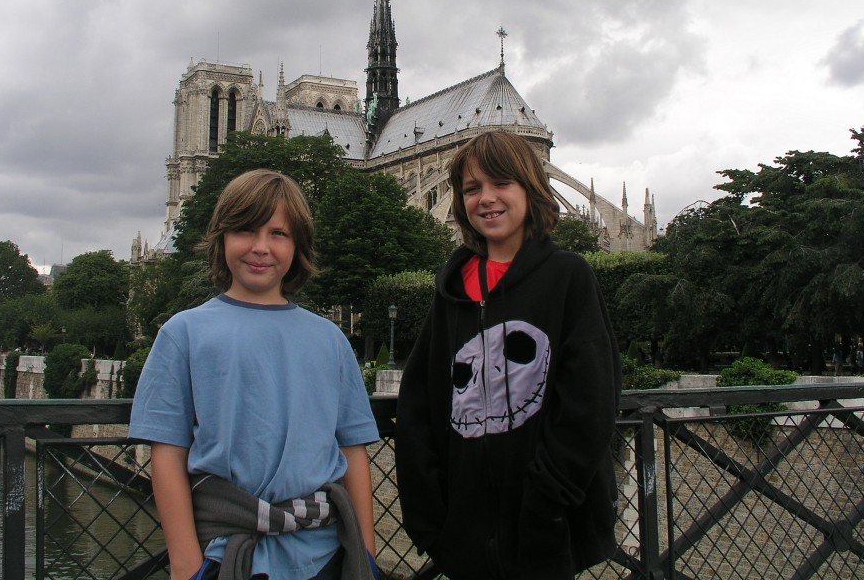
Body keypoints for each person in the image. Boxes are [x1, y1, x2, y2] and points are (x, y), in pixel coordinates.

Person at [129, 169, 380, 580]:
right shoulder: (182, 333)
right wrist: (185, 565)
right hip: (223, 555)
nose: (261, 247)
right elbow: (167, 455)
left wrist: (365, 557)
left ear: (297, 245)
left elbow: (353, 451)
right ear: (221, 238)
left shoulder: (330, 339)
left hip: (324, 556)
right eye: (245, 230)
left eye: (278, 234)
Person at [394, 130, 622, 580]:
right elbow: (419, 400)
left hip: (547, 530)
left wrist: (546, 503)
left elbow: (591, 400)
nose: (487, 198)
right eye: (472, 188)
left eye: (502, 183)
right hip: (464, 535)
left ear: (531, 187)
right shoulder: (452, 285)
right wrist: (431, 516)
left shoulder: (567, 277)